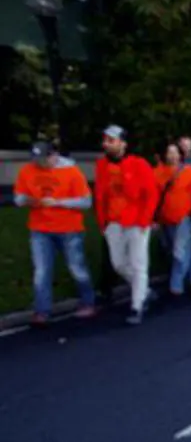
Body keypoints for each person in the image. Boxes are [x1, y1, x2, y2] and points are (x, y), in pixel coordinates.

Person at [14, 142, 96, 324]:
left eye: (44, 160)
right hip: (40, 228)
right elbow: (18, 198)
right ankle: (42, 311)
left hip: (69, 229)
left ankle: (88, 302)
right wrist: (30, 201)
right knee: (42, 271)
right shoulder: (28, 170)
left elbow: (85, 202)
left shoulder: (71, 171)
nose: (40, 164)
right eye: (37, 160)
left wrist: (59, 202)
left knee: (77, 268)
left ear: (54, 155)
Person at [96, 125, 159, 325]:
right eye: (105, 140)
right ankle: (144, 290)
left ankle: (137, 305)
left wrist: (144, 220)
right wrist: (102, 222)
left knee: (138, 264)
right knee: (119, 264)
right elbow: (100, 195)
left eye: (111, 140)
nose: (106, 144)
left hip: (135, 221)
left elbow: (151, 194)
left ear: (123, 143)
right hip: (114, 222)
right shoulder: (102, 166)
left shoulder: (139, 164)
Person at [154, 144, 191, 297]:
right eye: (169, 152)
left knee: (180, 251)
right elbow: (153, 196)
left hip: (186, 217)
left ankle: (175, 286)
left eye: (175, 152)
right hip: (166, 218)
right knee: (181, 249)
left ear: (181, 155)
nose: (173, 155)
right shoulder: (157, 173)